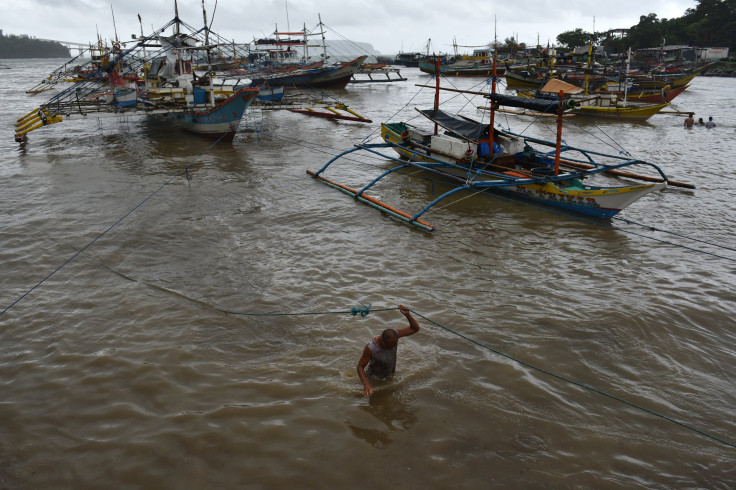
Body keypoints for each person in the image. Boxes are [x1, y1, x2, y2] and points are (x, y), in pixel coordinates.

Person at [357, 304, 420, 397]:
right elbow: (360, 367)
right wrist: (366, 383)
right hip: (374, 379)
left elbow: (415, 328)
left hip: (390, 374)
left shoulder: (395, 335)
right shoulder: (370, 348)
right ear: (382, 341)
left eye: (393, 346)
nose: (391, 348)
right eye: (389, 346)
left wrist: (407, 315)